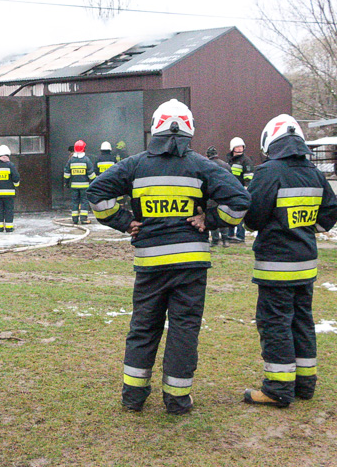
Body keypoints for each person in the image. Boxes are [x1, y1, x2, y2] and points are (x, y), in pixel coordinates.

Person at [86, 99, 250, 415]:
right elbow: (241, 202)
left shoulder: (134, 165)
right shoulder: (203, 166)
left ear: (155, 128)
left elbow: (96, 194)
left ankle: (133, 397)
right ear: (189, 130)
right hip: (191, 265)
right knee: (184, 329)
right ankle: (177, 399)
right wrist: (210, 221)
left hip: (150, 265)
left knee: (144, 327)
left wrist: (123, 221)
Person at [242, 114, 337, 408]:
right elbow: (331, 213)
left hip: (276, 265)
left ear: (271, 142)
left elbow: (253, 217)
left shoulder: (268, 172)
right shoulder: (314, 173)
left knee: (275, 324)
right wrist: (306, 229)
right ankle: (305, 384)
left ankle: (278, 388)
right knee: (302, 322)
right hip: (306, 263)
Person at [226, 137, 253, 243]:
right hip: (230, 190)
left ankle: (240, 236)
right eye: (237, 146)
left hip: (241, 191)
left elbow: (249, 177)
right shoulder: (229, 160)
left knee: (240, 214)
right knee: (229, 212)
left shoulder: (246, 161)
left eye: (241, 146)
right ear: (232, 148)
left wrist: (246, 189)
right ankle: (230, 234)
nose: (240, 148)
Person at [0, 144, 20, 232]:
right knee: (8, 210)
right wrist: (15, 185)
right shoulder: (10, 165)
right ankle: (9, 228)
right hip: (9, 193)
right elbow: (16, 177)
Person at [63, 140, 96, 225]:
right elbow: (91, 174)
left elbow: (66, 173)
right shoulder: (86, 160)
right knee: (84, 202)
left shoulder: (71, 160)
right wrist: (94, 181)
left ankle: (74, 219)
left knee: (75, 202)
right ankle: (83, 219)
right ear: (83, 149)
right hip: (84, 186)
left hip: (74, 186)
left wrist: (66, 182)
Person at [205, 146, 231, 248]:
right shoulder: (226, 165)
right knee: (223, 217)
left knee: (212, 217)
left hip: (211, 195)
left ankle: (215, 240)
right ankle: (225, 240)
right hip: (224, 194)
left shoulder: (206, 165)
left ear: (207, 155)